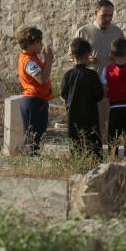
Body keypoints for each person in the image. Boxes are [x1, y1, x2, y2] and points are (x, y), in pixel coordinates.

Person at [76, 0, 124, 145]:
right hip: (88, 84)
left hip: (109, 84)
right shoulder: (83, 32)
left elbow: (124, 55)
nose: (108, 19)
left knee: (107, 119)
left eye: (111, 15)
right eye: (104, 15)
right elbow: (73, 57)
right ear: (96, 13)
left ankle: (106, 150)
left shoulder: (117, 32)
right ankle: (89, 148)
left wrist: (116, 56)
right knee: (89, 118)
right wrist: (86, 59)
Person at [61, 38, 104, 156]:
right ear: (88, 55)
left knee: (76, 142)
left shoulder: (68, 75)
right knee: (92, 141)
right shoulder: (93, 75)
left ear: (73, 55)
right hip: (90, 115)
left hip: (73, 114)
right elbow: (99, 95)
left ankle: (77, 162)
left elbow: (63, 94)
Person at [16, 27, 54, 155]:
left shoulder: (32, 58)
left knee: (37, 136)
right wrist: (48, 61)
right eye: (40, 42)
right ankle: (29, 162)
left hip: (38, 100)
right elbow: (42, 79)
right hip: (33, 101)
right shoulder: (28, 60)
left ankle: (31, 159)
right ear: (32, 43)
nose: (42, 45)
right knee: (32, 137)